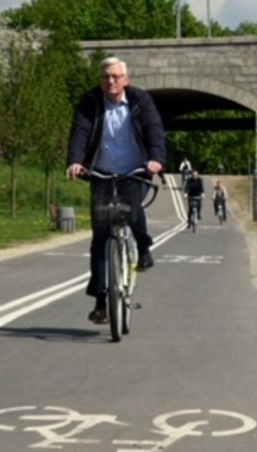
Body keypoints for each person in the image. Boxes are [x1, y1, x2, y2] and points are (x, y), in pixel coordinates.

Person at [66, 57, 166, 324]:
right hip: (102, 173)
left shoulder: (140, 100)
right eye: (105, 77)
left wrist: (155, 159)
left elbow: (154, 130)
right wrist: (75, 161)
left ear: (126, 79)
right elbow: (80, 132)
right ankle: (101, 302)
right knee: (101, 235)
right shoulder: (91, 101)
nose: (110, 81)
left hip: (135, 171)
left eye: (115, 76)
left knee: (131, 208)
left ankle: (143, 248)